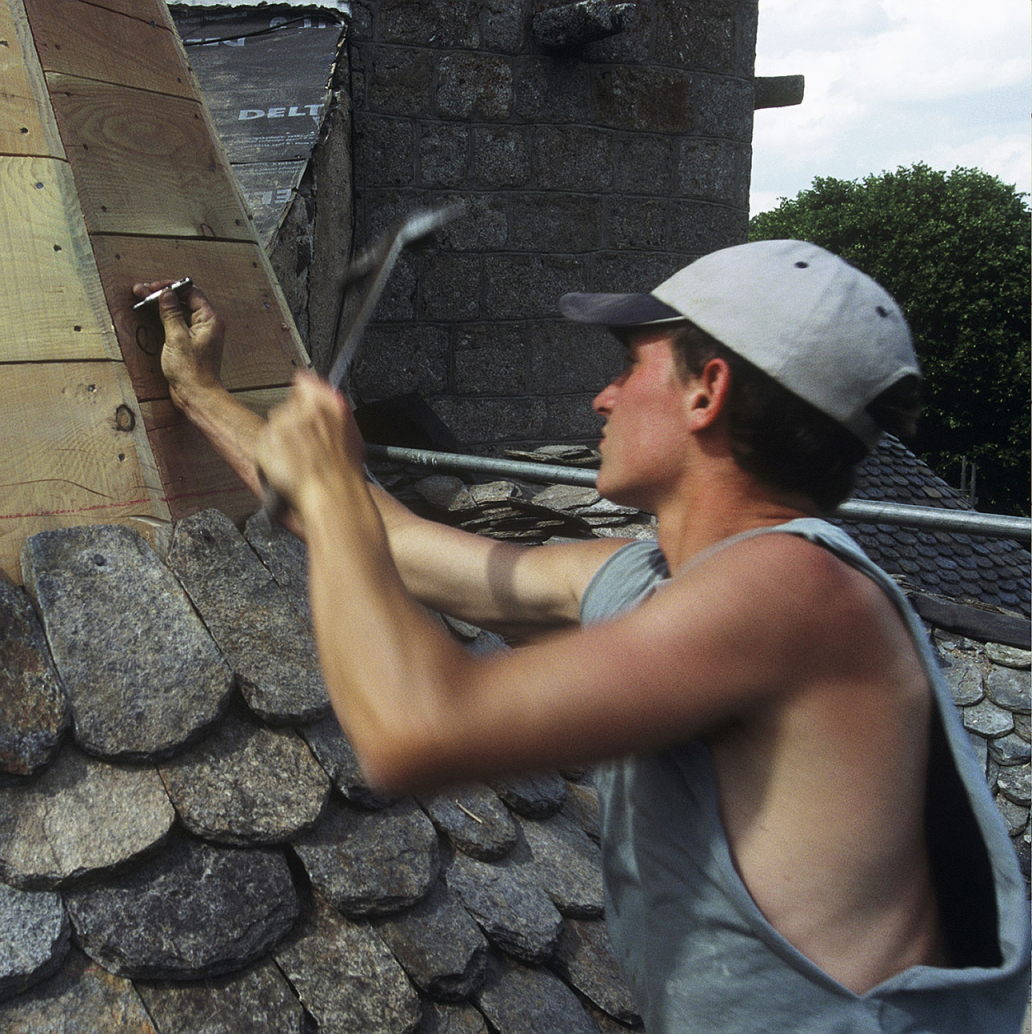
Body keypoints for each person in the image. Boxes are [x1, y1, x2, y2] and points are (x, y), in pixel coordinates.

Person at [133, 239, 1029, 1032]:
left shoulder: (795, 593)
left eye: (628, 367)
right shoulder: (660, 582)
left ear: (707, 391)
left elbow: (416, 730)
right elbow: (390, 546)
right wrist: (199, 391)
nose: (601, 398)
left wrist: (332, 490)